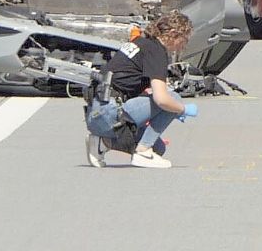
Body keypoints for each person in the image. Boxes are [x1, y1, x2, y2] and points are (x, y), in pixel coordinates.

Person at [84, 11, 199, 168]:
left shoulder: (141, 42)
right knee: (173, 99)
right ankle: (143, 152)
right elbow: (162, 99)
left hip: (96, 115)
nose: (183, 46)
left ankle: (103, 142)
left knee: (158, 148)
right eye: (183, 40)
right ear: (173, 34)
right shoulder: (156, 51)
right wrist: (181, 109)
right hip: (110, 113)